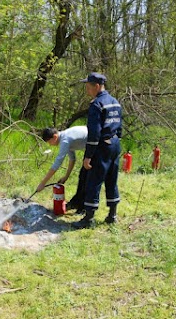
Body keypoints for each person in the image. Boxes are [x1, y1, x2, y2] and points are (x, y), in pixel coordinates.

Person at [72, 72, 122, 229]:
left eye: (88, 87)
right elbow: (119, 128)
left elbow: (94, 133)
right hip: (114, 144)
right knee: (112, 178)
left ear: (97, 86)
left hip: (101, 146)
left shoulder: (96, 105)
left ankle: (88, 219)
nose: (87, 90)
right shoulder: (115, 102)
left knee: (93, 180)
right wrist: (116, 141)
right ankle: (112, 215)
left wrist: (88, 156)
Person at [36, 126, 88, 213]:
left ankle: (84, 208)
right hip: (91, 147)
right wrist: (66, 177)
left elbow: (57, 164)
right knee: (82, 176)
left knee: (86, 178)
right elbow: (72, 159)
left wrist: (42, 183)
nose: (50, 144)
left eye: (49, 142)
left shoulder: (65, 140)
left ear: (55, 137)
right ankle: (76, 203)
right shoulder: (64, 138)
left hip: (98, 144)